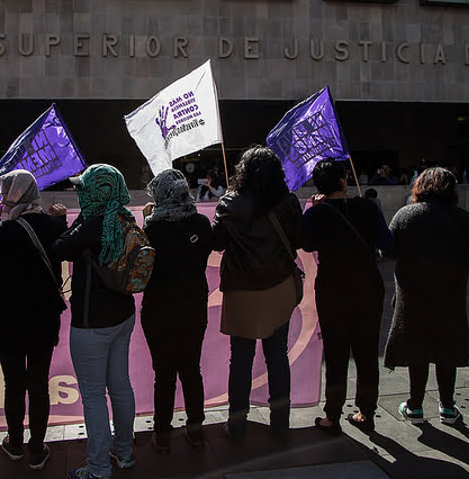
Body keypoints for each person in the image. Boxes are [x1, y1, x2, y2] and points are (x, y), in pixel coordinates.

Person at [0, 169, 68, 470]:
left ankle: (14, 444)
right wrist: (61, 220)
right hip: (44, 316)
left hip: (8, 319)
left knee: (13, 382)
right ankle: (37, 448)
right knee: (39, 382)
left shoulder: (4, 229)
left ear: (11, 194)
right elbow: (63, 248)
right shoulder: (52, 224)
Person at [211, 145, 303, 442]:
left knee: (240, 359)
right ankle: (281, 423)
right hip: (279, 287)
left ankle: (236, 425)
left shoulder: (230, 203)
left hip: (242, 291)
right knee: (278, 356)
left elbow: (216, 244)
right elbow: (299, 239)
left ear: (243, 173)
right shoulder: (289, 202)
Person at [52, 164, 137, 479]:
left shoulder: (91, 225)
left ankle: (99, 467)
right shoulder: (125, 219)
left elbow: (59, 247)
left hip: (92, 322)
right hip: (123, 315)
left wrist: (66, 220)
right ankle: (124, 452)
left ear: (95, 191)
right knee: (120, 385)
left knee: (92, 395)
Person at [383, 168, 469, 425]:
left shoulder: (405, 215)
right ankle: (447, 406)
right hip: (450, 294)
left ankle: (415, 405)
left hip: (413, 295)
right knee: (446, 347)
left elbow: (388, 252)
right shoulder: (463, 219)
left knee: (418, 348)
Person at [303, 160, 392, 435]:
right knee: (366, 351)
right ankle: (366, 411)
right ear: (343, 181)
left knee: (336, 352)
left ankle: (332, 415)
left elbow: (306, 243)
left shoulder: (317, 214)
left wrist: (317, 211)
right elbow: (386, 243)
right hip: (368, 286)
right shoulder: (367, 207)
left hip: (332, 289)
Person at [140, 169, 212, 453]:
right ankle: (196, 432)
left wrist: (146, 220)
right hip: (194, 307)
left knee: (164, 373)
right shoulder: (202, 224)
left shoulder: (151, 229)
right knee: (191, 370)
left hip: (159, 310)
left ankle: (163, 434)